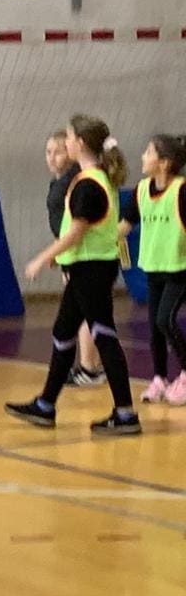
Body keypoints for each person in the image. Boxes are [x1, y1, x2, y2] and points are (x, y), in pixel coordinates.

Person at [5, 114, 140, 435]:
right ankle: (46, 404)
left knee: (104, 336)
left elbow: (76, 233)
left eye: (67, 137)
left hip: (92, 269)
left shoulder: (89, 184)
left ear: (79, 143)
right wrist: (60, 257)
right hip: (86, 266)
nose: (65, 142)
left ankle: (125, 414)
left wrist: (42, 258)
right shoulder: (92, 179)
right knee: (64, 332)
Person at [118, 134, 186, 404]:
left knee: (165, 320)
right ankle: (159, 378)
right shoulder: (142, 190)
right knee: (155, 327)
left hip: (180, 269)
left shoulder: (181, 191)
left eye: (148, 152)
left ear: (164, 163)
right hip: (154, 268)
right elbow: (124, 226)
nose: (142, 157)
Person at [44, 131, 104, 387]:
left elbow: (76, 224)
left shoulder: (76, 181)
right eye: (48, 152)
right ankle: (92, 366)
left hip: (81, 255)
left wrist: (54, 252)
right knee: (83, 311)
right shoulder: (57, 182)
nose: (51, 157)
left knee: (84, 313)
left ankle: (90, 367)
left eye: (58, 151)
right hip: (69, 254)